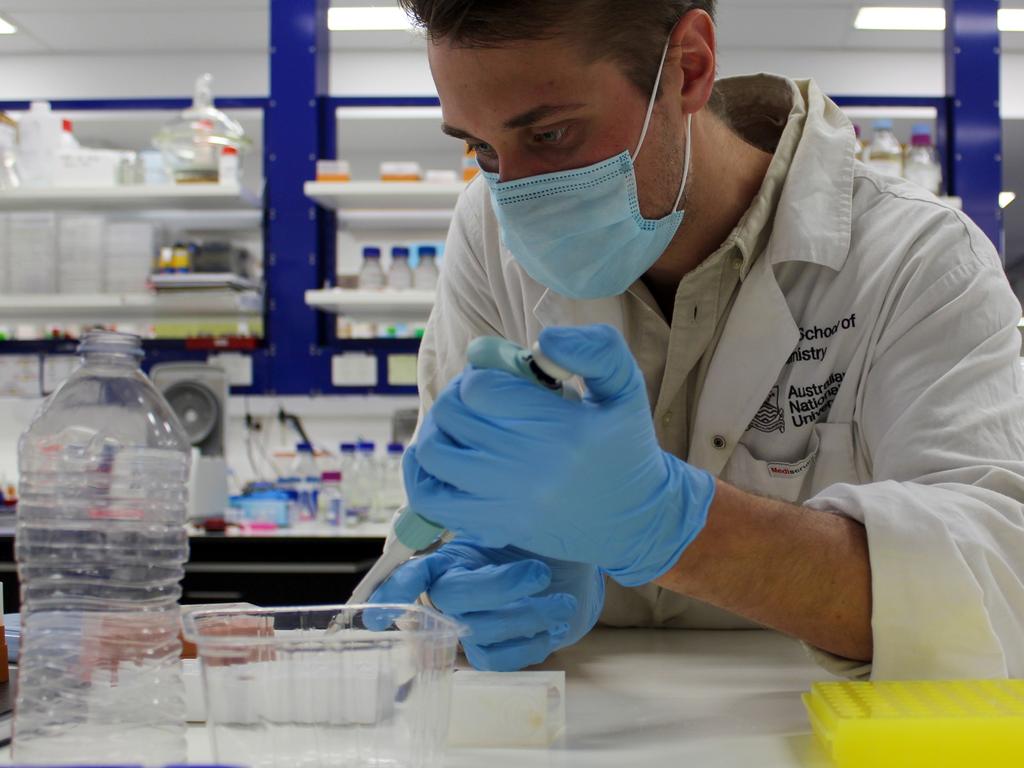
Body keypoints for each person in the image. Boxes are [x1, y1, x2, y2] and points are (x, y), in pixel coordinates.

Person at [369, 0, 1024, 680]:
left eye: (553, 135)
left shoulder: (916, 260)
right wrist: (473, 574)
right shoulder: (487, 233)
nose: (517, 198)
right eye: (480, 148)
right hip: (578, 730)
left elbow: (1000, 581)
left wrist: (676, 527)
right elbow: (442, 516)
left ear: (689, 68)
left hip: (813, 731)